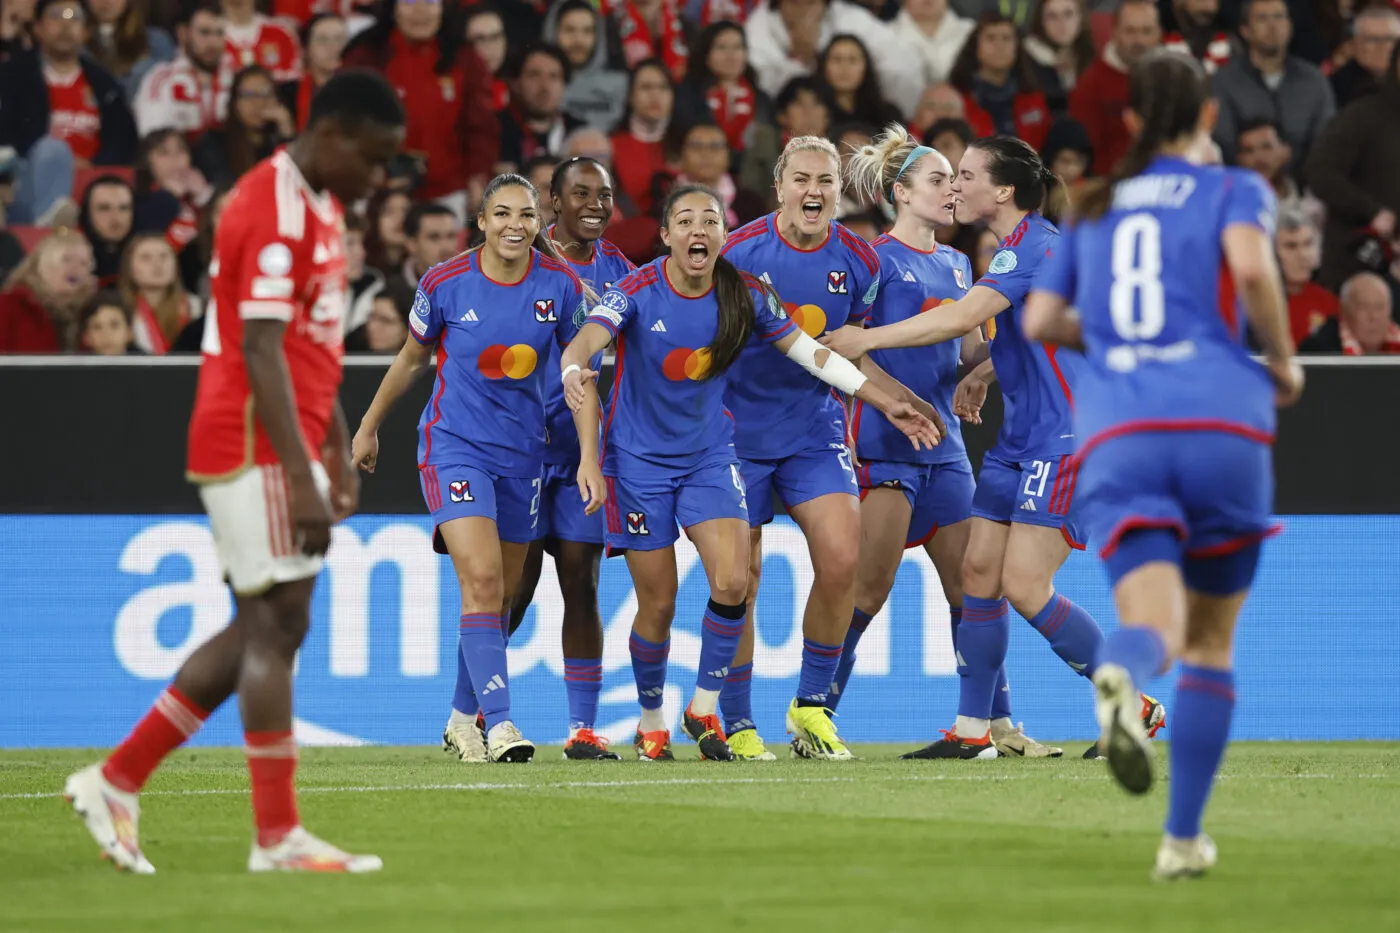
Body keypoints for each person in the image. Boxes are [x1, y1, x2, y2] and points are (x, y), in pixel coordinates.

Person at [63, 69, 405, 874]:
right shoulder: (269, 206)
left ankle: (118, 780)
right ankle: (274, 834)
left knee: (268, 622)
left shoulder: (317, 205)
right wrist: (298, 469)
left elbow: (306, 347)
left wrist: (336, 443)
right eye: (376, 157)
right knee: (278, 623)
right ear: (335, 136)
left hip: (279, 442)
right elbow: (257, 349)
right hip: (249, 440)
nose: (379, 177)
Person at [1022, 49, 1304, 880]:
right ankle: (1181, 839)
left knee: (1154, 629)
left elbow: (1041, 318)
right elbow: (1252, 269)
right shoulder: (1229, 189)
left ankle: (1118, 666)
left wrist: (1111, 343)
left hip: (1119, 433)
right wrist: (1283, 363)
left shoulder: (1095, 206)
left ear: (1134, 121)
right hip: (1220, 421)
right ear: (1210, 117)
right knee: (1211, 644)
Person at [558, 183, 939, 762]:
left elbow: (810, 352)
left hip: (711, 457)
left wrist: (883, 400)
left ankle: (705, 706)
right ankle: (652, 717)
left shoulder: (745, 294)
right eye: (684, 221)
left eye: (709, 220)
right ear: (665, 237)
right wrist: (572, 365)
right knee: (657, 604)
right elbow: (589, 338)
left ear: (721, 235)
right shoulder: (636, 288)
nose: (697, 231)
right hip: (638, 464)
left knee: (734, 582)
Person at [821, 135, 1165, 759]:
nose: (957, 185)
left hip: (1065, 439)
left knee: (1024, 584)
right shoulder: (1004, 253)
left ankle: (1130, 703)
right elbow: (1022, 337)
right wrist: (981, 373)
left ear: (1003, 191)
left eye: (968, 174)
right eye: (947, 176)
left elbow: (957, 321)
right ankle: (973, 730)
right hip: (1015, 443)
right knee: (978, 577)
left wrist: (863, 341)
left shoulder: (1034, 246)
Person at [351, 174, 589, 766]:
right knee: (481, 581)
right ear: (480, 222)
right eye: (502, 213)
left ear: (540, 223)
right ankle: (501, 723)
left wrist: (589, 454)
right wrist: (368, 425)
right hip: (453, 447)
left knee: (502, 596)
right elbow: (411, 360)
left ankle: (461, 720)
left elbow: (579, 372)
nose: (516, 225)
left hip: (524, 455)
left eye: (527, 215)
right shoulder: (445, 282)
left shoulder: (560, 286)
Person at [716, 135, 935, 761]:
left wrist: (894, 398)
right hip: (737, 435)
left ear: (840, 190)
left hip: (815, 432)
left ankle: (810, 709)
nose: (815, 193)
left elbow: (852, 350)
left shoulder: (862, 261)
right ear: (780, 186)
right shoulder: (738, 253)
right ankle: (735, 719)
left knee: (843, 562)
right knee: (741, 579)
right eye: (803, 180)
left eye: (827, 182)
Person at [837, 123, 987, 758]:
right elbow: (845, 347)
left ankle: (988, 726)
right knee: (869, 590)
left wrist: (987, 365)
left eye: (955, 180)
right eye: (937, 180)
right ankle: (815, 711)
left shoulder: (958, 263)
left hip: (947, 449)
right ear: (901, 193)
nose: (951, 189)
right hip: (884, 442)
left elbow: (972, 345)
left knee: (973, 591)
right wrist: (896, 402)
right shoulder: (871, 259)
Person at [506, 156, 636, 760]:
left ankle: (582, 728)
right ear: (552, 204)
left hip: (586, 451)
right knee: (513, 590)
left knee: (581, 582)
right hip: (524, 449)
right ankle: (475, 713)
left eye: (604, 195)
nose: (594, 205)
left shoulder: (623, 273)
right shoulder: (520, 263)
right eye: (579, 194)